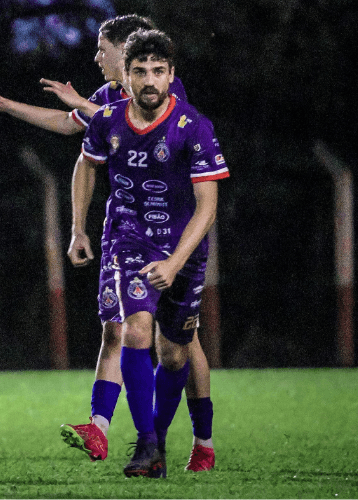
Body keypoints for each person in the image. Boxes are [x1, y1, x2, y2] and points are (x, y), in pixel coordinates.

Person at [0, 15, 216, 471]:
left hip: (180, 241)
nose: (96, 57)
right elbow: (77, 130)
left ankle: (200, 439)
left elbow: (120, 122)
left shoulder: (173, 101)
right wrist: (6, 106)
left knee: (181, 346)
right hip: (129, 236)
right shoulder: (106, 102)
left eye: (102, 49)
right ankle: (127, 436)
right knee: (126, 329)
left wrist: (84, 106)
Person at [72, 28, 228, 477]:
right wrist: (79, 228)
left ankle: (171, 439)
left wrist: (176, 262)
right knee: (135, 331)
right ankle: (147, 447)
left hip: (183, 250)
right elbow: (86, 164)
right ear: (127, 74)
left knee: (176, 353)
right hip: (130, 241)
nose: (149, 81)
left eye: (158, 72)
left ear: (170, 75)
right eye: (140, 71)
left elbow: (208, 207)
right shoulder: (107, 120)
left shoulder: (193, 127)